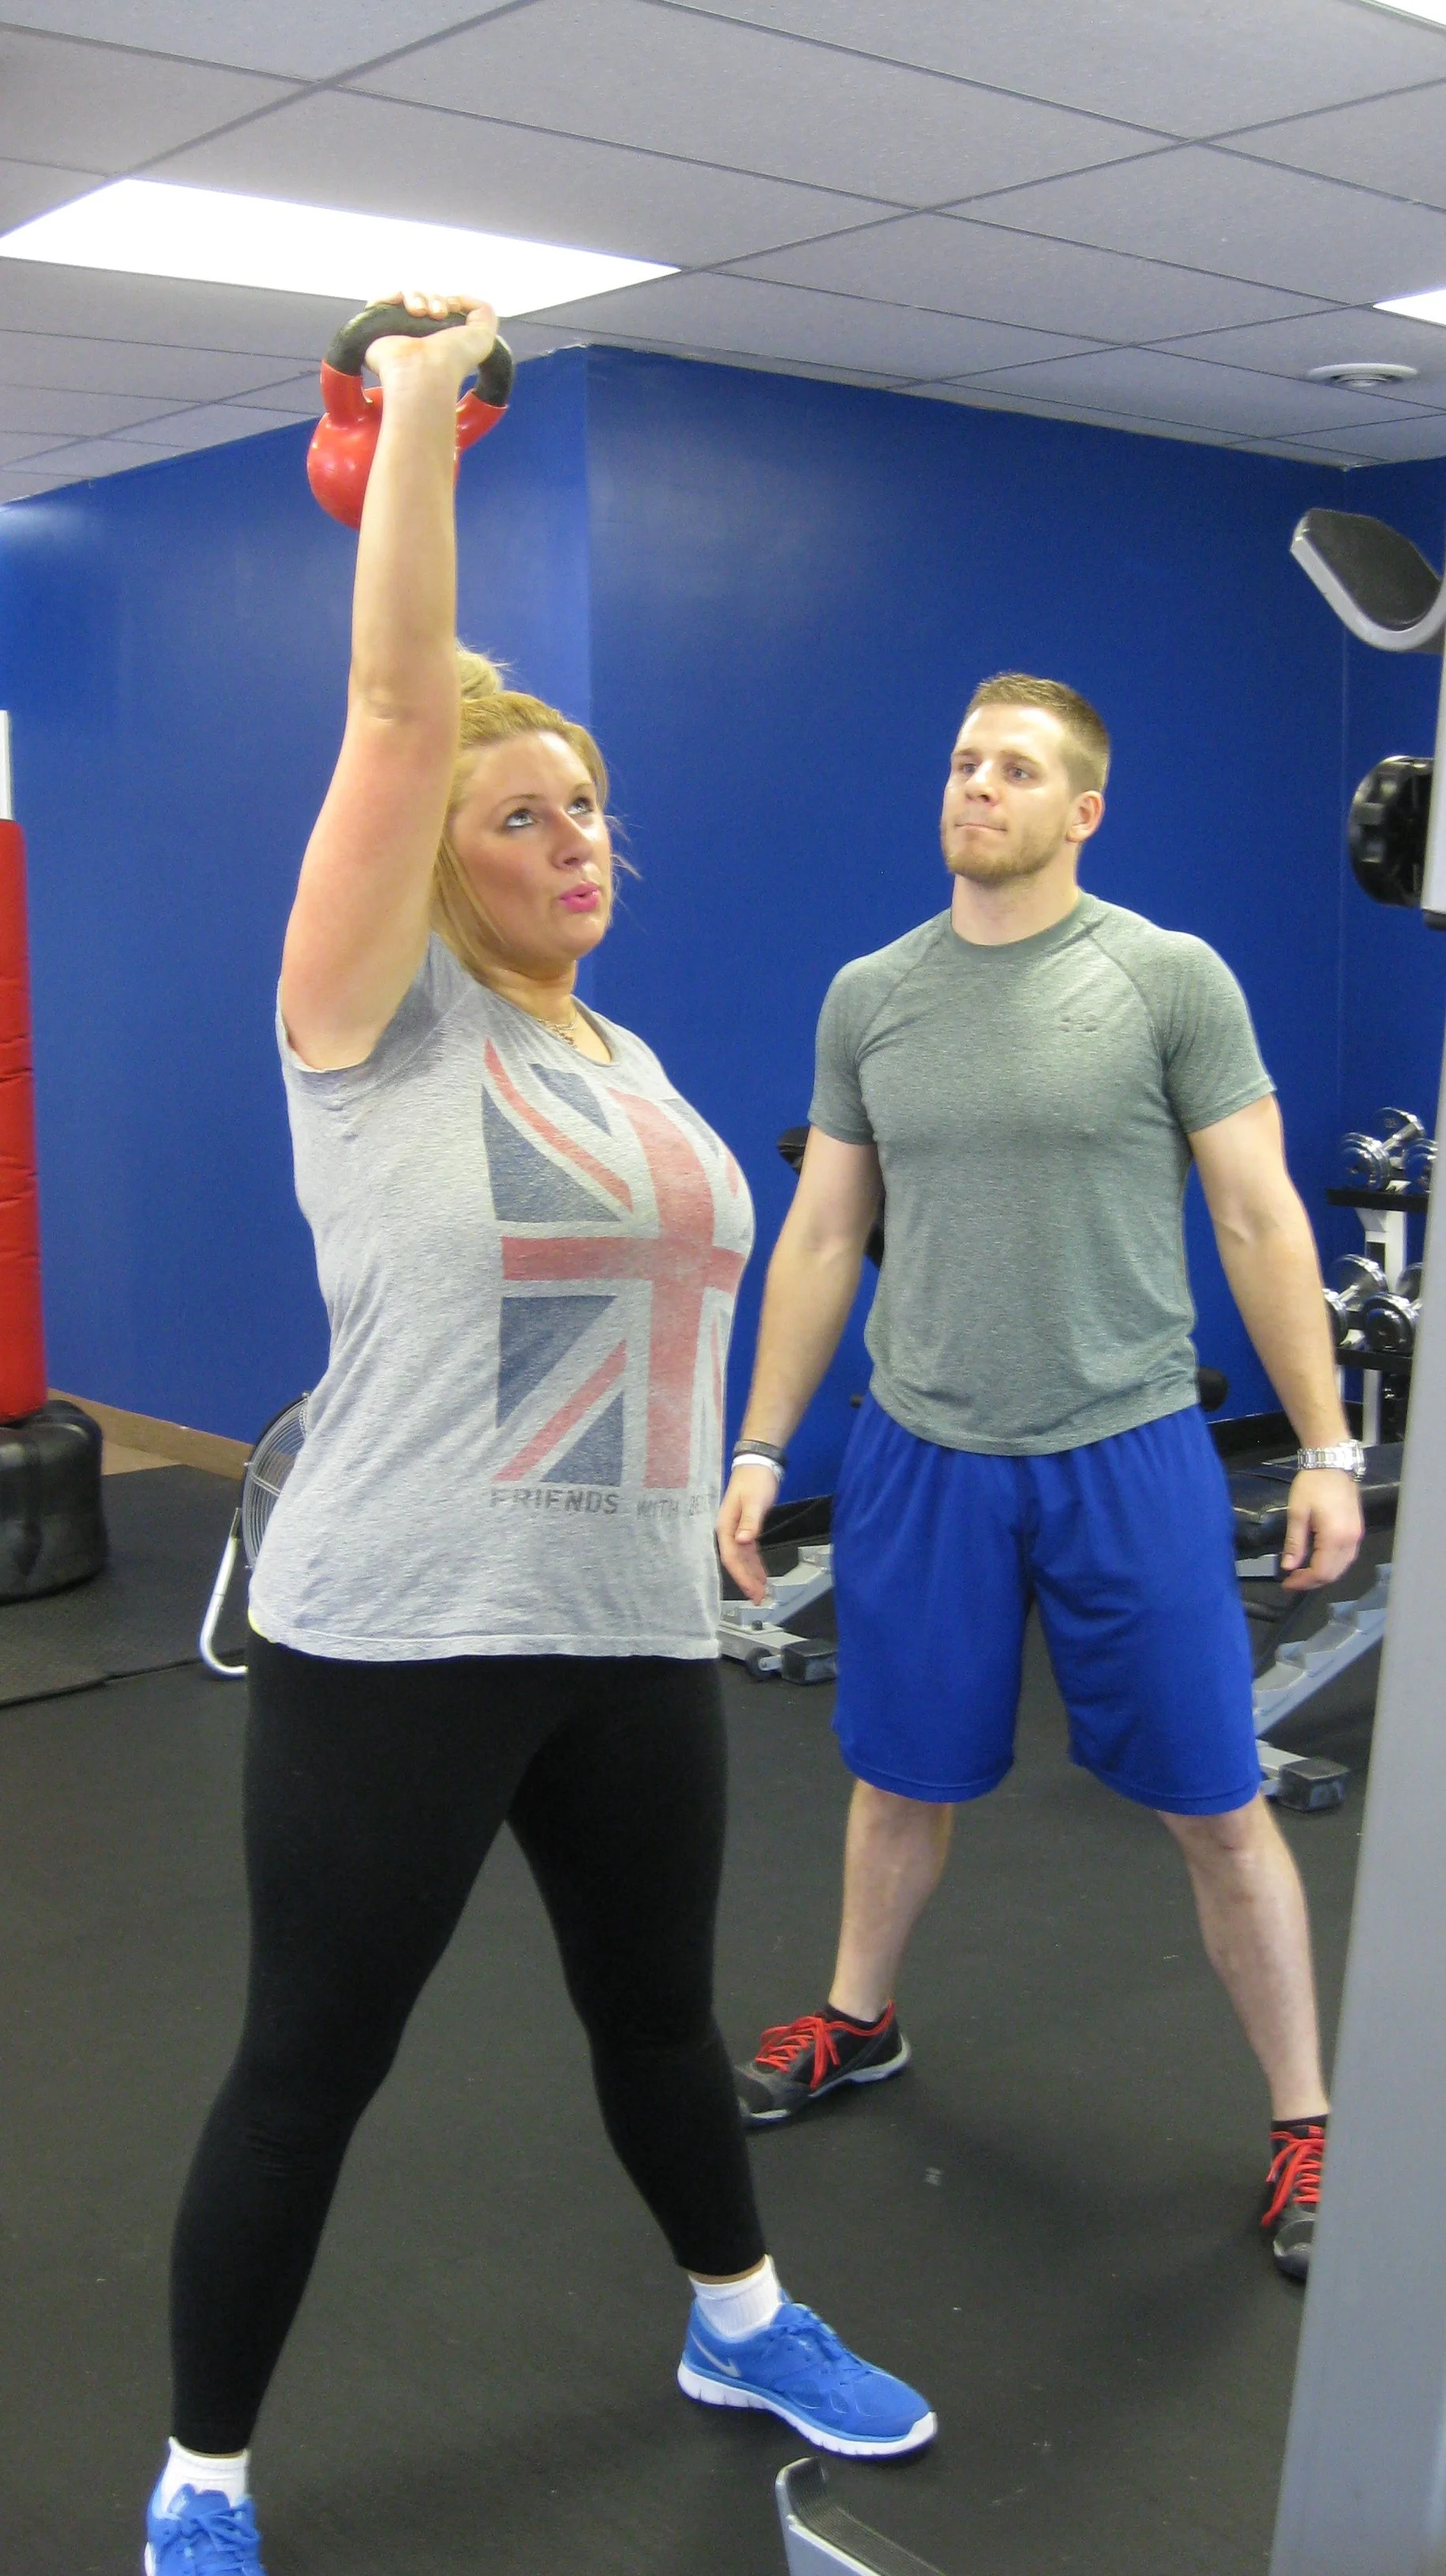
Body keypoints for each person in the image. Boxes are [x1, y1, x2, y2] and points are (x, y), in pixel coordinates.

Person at [142, 291, 934, 2576]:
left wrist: (720, 1504)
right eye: (521, 813)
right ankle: (206, 2478)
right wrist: (412, 418)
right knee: (314, 2068)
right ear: (429, 861)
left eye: (588, 801)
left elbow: (680, 1318)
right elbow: (400, 700)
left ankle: (741, 2317)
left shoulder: (630, 1059)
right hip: (397, 1633)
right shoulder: (363, 1028)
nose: (575, 835)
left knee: (662, 2024)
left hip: (625, 1629)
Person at [718, 672, 1364, 2287]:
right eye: (960, 761)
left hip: (1125, 1448)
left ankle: (1306, 2119)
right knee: (894, 1777)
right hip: (922, 1451)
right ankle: (859, 2021)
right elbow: (822, 1234)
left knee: (1216, 1805)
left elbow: (1260, 1217)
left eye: (1014, 768)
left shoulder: (1164, 980)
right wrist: (757, 1442)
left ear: (1083, 809)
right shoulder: (871, 995)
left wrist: (1329, 1447)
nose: (975, 786)